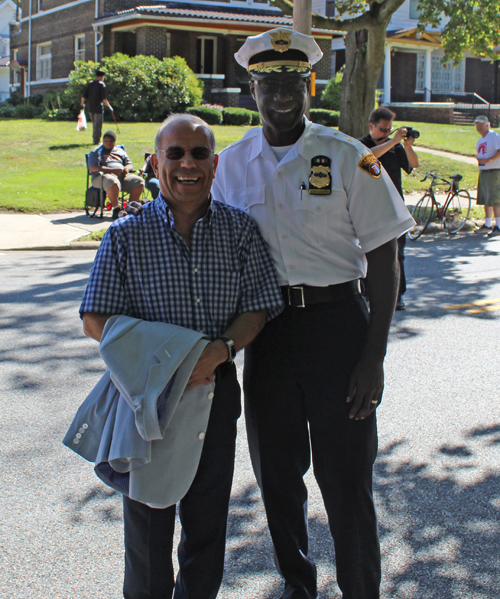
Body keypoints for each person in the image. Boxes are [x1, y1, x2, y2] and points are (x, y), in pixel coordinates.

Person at [211, 28, 414, 599]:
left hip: (339, 329)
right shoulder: (229, 166)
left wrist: (373, 357)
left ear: (311, 85)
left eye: (292, 83)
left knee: (348, 483)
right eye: (268, 82)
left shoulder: (348, 156)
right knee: (277, 480)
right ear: (251, 87)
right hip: (268, 335)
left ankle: (360, 591)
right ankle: (299, 587)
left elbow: (383, 259)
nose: (281, 94)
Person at [80, 114, 284, 599]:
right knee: (148, 528)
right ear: (155, 163)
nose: (187, 164)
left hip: (215, 391)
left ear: (215, 166)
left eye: (198, 155)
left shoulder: (239, 231)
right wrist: (173, 358)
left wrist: (220, 350)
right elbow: (95, 319)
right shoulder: (125, 237)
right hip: (146, 395)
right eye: (175, 154)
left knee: (207, 525)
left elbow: (259, 304)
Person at [359, 107, 419, 310]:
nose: (387, 133)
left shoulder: (395, 147)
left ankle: (398, 295)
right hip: (370, 208)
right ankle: (368, 293)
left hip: (394, 208)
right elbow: (366, 160)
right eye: (383, 130)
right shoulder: (361, 145)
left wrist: (406, 145)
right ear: (371, 126)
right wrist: (391, 141)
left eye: (389, 130)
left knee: (397, 254)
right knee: (369, 254)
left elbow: (414, 165)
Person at [87, 129, 144, 220]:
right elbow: (92, 168)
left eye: (111, 141)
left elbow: (129, 164)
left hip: (121, 176)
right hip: (102, 177)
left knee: (139, 181)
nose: (108, 143)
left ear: (115, 142)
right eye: (106, 141)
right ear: (103, 141)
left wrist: (127, 169)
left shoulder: (120, 151)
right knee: (112, 181)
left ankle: (130, 209)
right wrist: (112, 170)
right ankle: (116, 209)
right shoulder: (96, 151)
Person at [474, 114, 500, 237]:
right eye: (477, 124)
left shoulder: (493, 136)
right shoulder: (480, 140)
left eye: (481, 124)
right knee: (486, 198)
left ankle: (498, 225)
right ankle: (487, 223)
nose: (479, 127)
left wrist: (488, 160)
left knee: (495, 198)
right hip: (484, 171)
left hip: (494, 171)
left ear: (487, 125)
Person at [81, 69, 113, 145]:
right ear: (102, 76)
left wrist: (82, 104)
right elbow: (104, 99)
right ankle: (96, 141)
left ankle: (95, 138)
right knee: (98, 125)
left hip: (91, 107)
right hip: (98, 108)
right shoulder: (102, 85)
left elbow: (83, 95)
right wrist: (109, 106)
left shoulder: (90, 84)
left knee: (94, 124)